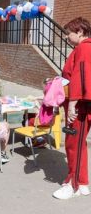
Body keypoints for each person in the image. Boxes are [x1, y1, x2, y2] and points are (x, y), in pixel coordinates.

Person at [53, 17, 91, 200]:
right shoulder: (83, 48)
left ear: (80, 32)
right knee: (79, 144)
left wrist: (72, 106)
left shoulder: (84, 48)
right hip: (80, 105)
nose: (67, 36)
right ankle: (82, 182)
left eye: (69, 33)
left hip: (79, 107)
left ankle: (72, 184)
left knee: (73, 145)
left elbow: (80, 78)